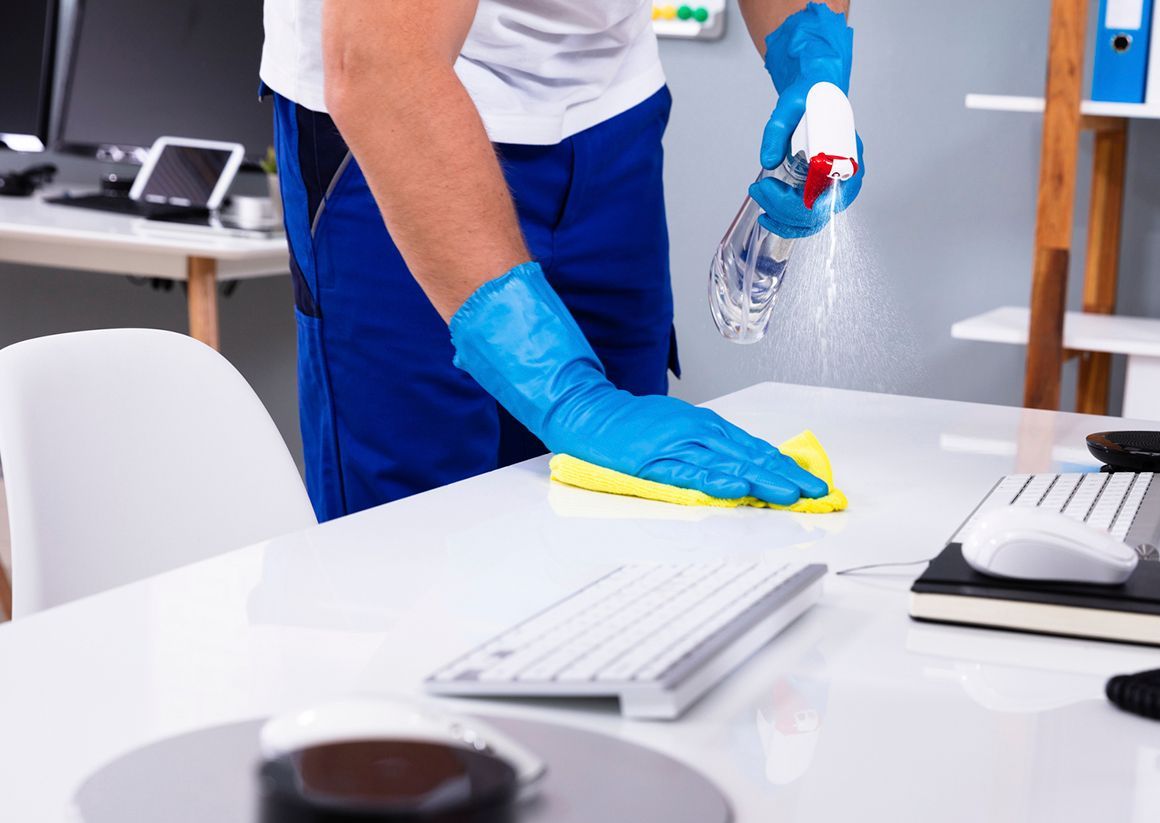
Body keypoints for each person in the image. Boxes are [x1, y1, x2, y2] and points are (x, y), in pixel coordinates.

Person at [260, 0, 864, 521]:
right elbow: (382, 67)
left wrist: (812, 57)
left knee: (628, 518)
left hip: (609, 108)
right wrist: (569, 395)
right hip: (398, 104)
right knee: (413, 539)